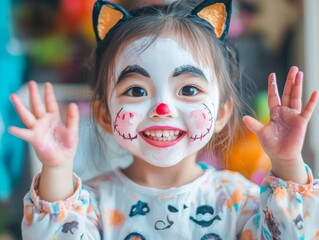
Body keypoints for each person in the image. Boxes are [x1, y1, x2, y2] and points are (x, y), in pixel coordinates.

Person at [9, 0, 319, 239]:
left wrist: (287, 161)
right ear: (104, 115)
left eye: (188, 89)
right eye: (135, 90)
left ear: (222, 112)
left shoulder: (237, 199)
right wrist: (57, 169)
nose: (162, 108)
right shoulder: (90, 203)